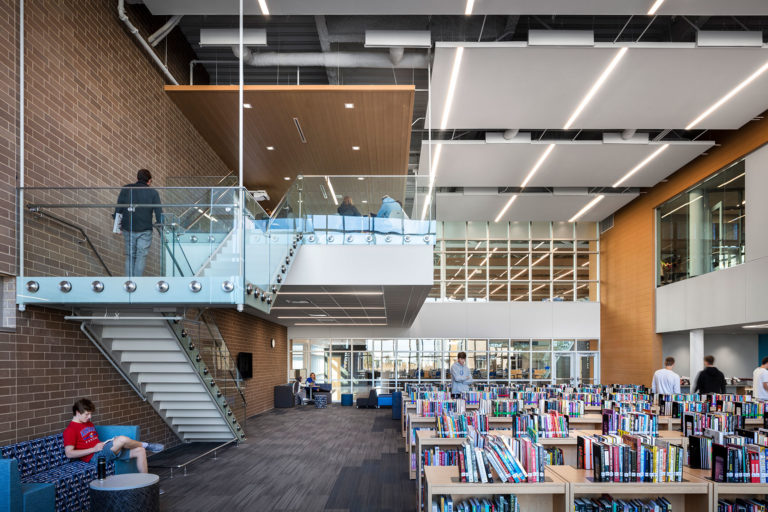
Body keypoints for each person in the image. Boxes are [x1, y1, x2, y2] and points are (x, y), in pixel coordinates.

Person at [63, 398, 164, 473]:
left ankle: (146, 486)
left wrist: (108, 443)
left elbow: (92, 440)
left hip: (103, 450)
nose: (90, 417)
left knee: (140, 451)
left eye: (90, 414)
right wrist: (93, 449)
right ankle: (147, 445)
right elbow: (69, 453)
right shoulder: (70, 430)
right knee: (122, 439)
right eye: (87, 414)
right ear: (77, 412)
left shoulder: (88, 423)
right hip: (94, 457)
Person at [114, 169, 163, 277]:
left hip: (128, 227)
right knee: (141, 256)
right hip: (145, 229)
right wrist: (161, 228)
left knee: (130, 255)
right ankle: (137, 282)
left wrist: (117, 227)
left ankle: (129, 283)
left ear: (137, 178)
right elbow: (159, 212)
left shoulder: (127, 189)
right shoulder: (153, 193)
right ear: (149, 181)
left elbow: (119, 208)